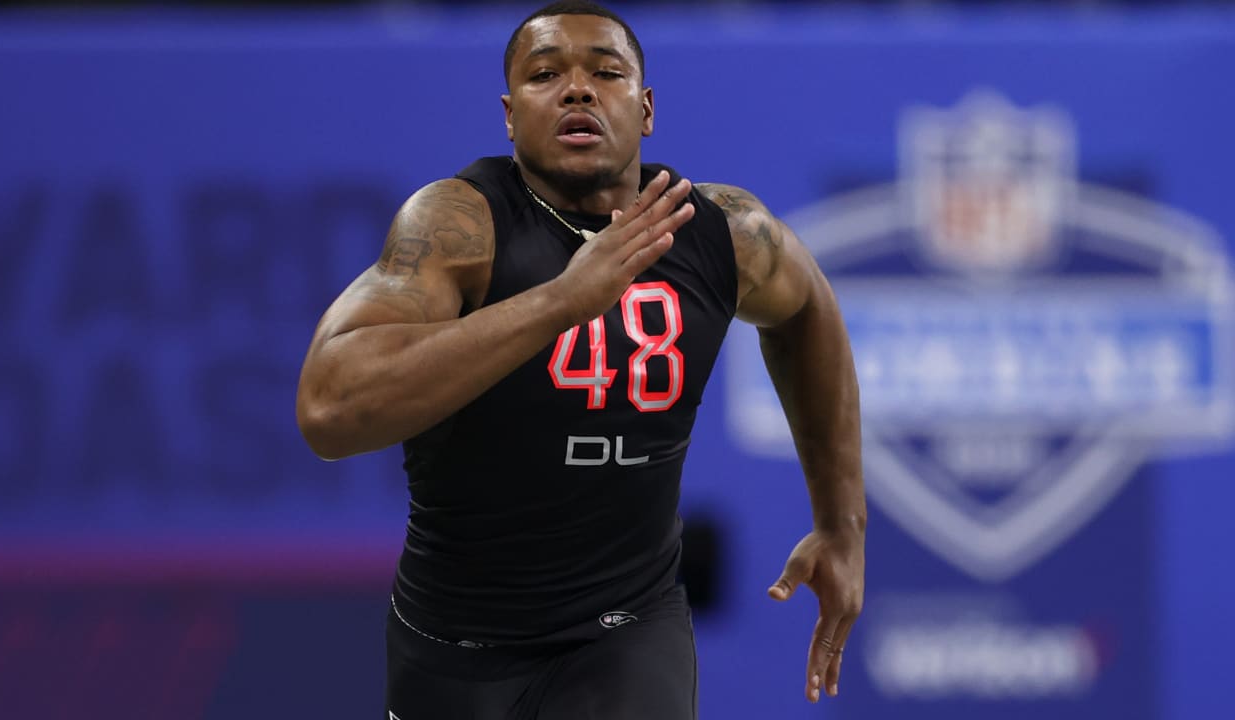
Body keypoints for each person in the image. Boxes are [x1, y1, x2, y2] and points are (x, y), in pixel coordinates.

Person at [296, 1, 865, 717]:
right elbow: (328, 409)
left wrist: (843, 527)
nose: (578, 89)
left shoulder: (720, 232)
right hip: (454, 643)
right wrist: (561, 302)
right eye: (544, 74)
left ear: (646, 107)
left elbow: (809, 309)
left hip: (628, 631)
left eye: (606, 72)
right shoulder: (458, 225)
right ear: (508, 115)